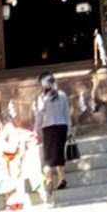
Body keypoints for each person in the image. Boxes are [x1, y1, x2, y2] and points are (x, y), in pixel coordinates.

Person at [0, 101, 42, 211]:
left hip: (12, 156)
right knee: (11, 179)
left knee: (12, 179)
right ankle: (14, 201)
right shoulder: (6, 132)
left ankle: (14, 201)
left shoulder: (7, 132)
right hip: (9, 157)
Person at [33, 71, 70, 199]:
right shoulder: (62, 95)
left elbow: (39, 114)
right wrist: (69, 129)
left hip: (49, 127)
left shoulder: (42, 97)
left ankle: (48, 180)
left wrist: (36, 129)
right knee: (59, 154)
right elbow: (67, 113)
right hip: (62, 126)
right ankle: (62, 178)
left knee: (48, 157)